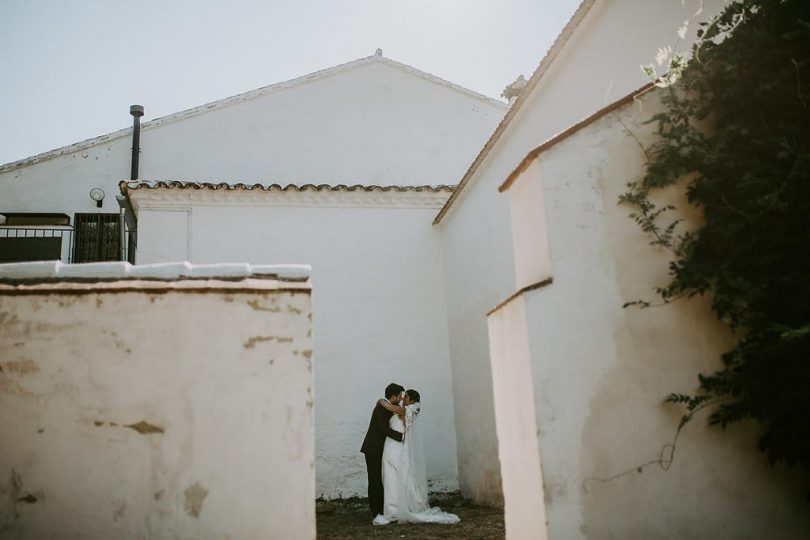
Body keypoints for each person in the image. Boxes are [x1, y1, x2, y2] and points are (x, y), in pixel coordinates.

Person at [378, 389, 460, 525]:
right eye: (403, 396)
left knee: (393, 476)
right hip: (392, 447)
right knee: (392, 476)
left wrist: (381, 400)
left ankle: (394, 510)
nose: (403, 398)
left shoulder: (405, 411)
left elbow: (387, 406)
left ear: (412, 400)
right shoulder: (407, 410)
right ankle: (393, 508)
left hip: (396, 448)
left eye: (406, 397)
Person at [360, 383, 405, 525]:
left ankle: (382, 511)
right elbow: (383, 430)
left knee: (381, 480)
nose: (401, 399)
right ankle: (376, 515)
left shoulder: (386, 406)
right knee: (375, 482)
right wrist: (402, 437)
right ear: (393, 396)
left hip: (380, 450)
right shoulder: (381, 408)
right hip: (373, 450)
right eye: (399, 396)